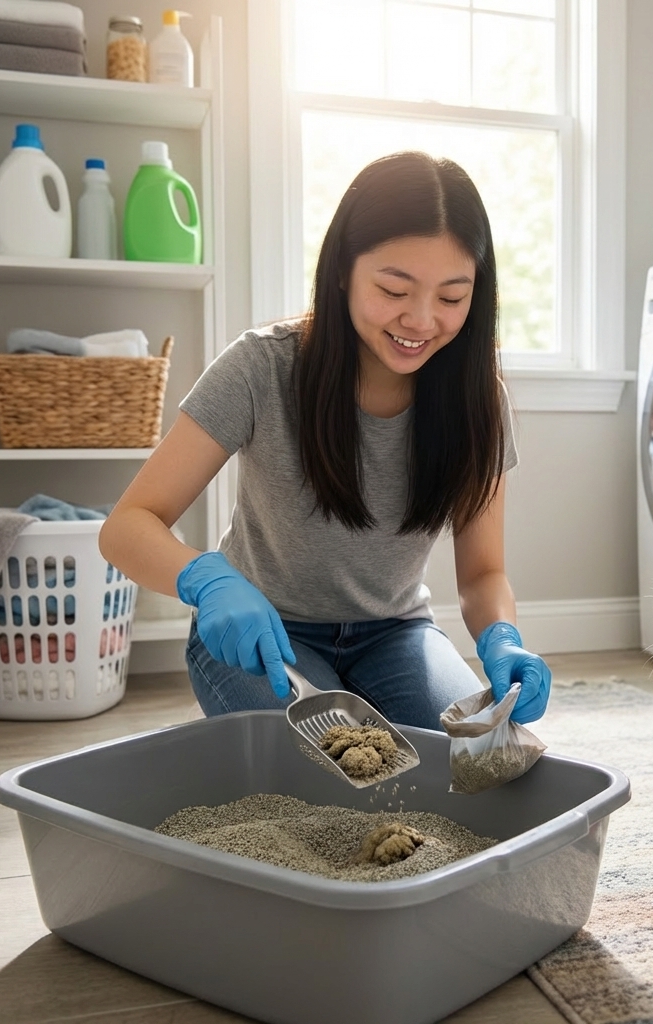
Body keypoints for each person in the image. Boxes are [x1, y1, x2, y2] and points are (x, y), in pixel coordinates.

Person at [99, 151, 551, 730]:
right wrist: (207, 580)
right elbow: (127, 525)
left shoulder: (477, 398)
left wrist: (504, 638)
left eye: (451, 297)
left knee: (474, 759)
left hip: (398, 634)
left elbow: (483, 573)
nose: (420, 319)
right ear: (342, 271)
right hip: (264, 631)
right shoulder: (261, 367)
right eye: (394, 288)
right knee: (337, 767)